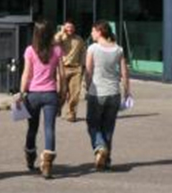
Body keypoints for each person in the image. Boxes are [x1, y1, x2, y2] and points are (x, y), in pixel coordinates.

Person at [17, 20, 64, 179]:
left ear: (35, 34)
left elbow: (26, 74)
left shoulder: (30, 50)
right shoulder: (57, 50)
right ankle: (48, 163)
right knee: (49, 128)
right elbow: (61, 76)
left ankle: (30, 156)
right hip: (50, 93)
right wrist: (62, 94)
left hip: (33, 94)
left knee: (32, 128)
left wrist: (22, 92)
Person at [85, 20, 129, 171]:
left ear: (99, 32)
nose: (91, 34)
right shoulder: (119, 49)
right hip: (114, 94)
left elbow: (88, 71)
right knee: (108, 128)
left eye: (93, 31)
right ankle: (106, 161)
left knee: (92, 124)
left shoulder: (93, 48)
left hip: (97, 93)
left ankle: (100, 147)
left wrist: (86, 86)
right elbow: (124, 72)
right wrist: (127, 91)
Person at [54, 21, 87, 122]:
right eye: (67, 27)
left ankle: (71, 114)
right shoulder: (61, 38)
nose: (70, 29)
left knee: (74, 93)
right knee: (61, 92)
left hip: (76, 68)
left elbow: (83, 52)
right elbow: (54, 42)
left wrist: (82, 65)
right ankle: (57, 108)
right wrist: (61, 32)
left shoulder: (79, 39)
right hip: (62, 68)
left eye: (71, 27)